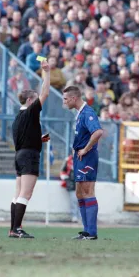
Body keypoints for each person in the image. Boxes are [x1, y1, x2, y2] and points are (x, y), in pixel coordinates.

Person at [9, 60, 51, 238]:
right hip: (29, 157)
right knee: (26, 193)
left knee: (18, 193)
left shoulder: (18, 118)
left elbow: (22, 139)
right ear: (29, 100)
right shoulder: (30, 111)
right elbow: (46, 92)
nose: (37, 102)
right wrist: (47, 72)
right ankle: (17, 229)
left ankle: (13, 229)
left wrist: (39, 139)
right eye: (34, 99)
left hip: (20, 155)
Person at [62, 85, 103, 240]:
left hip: (87, 157)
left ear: (74, 98)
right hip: (80, 158)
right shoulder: (79, 113)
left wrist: (86, 149)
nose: (64, 102)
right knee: (80, 192)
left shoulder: (88, 112)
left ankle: (91, 232)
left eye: (66, 99)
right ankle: (86, 230)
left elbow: (98, 132)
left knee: (88, 191)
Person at [60, 154, 81, 223]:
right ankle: (74, 216)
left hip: (81, 183)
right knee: (74, 200)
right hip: (71, 184)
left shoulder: (83, 159)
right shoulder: (68, 159)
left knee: (81, 200)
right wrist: (66, 178)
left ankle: (80, 216)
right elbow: (63, 170)